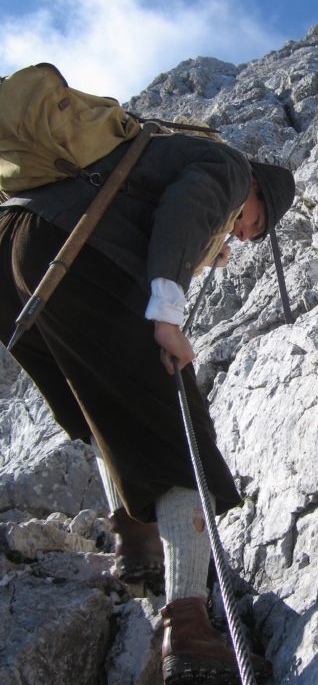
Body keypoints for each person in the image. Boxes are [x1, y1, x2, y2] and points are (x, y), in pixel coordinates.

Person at [0, 130, 295, 684]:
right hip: (68, 246)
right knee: (179, 436)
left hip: (11, 257)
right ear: (257, 190)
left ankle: (135, 544)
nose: (243, 231)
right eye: (252, 223)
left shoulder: (159, 153)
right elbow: (192, 204)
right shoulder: (231, 166)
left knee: (106, 413)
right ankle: (189, 630)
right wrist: (167, 318)